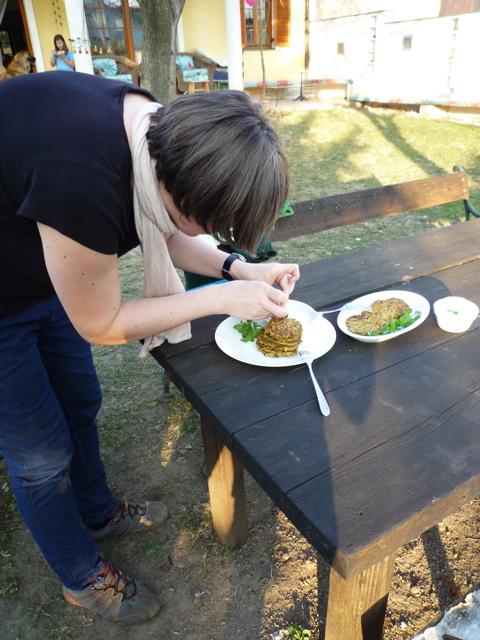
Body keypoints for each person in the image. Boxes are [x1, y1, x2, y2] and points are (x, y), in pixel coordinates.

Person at [0, 71, 299, 625]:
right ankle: (79, 577)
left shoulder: (161, 136)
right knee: (40, 455)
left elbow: (172, 229)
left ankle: (95, 510)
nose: (214, 232)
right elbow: (102, 322)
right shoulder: (82, 180)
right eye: (213, 221)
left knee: (81, 400)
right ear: (179, 190)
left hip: (45, 264)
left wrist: (240, 267)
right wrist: (219, 299)